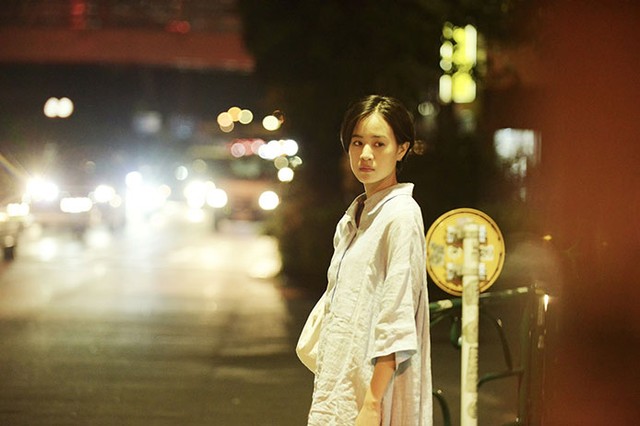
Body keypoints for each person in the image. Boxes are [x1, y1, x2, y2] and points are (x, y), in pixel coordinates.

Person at [299, 95, 433, 425]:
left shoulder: (401, 216)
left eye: (379, 143)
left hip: (374, 396)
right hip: (339, 388)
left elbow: (396, 315)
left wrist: (372, 405)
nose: (366, 154)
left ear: (402, 149)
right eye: (357, 143)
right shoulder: (355, 216)